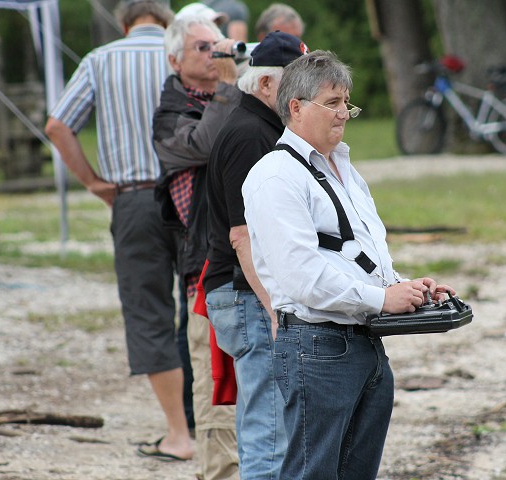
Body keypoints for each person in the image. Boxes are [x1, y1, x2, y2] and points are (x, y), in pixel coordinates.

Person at [242, 50, 456, 479]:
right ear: (296, 107)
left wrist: (407, 288)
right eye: (333, 103)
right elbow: (302, 278)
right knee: (312, 473)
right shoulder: (275, 176)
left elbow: (356, 254)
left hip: (364, 343)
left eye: (347, 103)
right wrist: (383, 298)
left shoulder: (344, 168)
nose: (344, 114)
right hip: (316, 347)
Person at [44, 0, 195, 462]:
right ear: (166, 17)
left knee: (148, 312)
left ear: (123, 19)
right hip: (192, 195)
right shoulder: (186, 52)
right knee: (203, 308)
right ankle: (213, 423)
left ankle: (178, 434)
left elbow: (57, 125)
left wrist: (92, 181)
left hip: (133, 198)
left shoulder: (99, 59)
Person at [204, 31, 308, 479]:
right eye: (295, 83)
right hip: (248, 293)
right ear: (266, 85)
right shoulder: (250, 135)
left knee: (270, 423)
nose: (304, 95)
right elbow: (243, 236)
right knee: (268, 430)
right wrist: (273, 307)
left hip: (249, 292)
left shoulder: (264, 128)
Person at [151, 13, 241, 480]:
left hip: (254, 268)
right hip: (206, 275)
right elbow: (210, 142)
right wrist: (231, 84)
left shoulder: (235, 94)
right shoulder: (170, 116)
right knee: (217, 395)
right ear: (175, 60)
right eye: (202, 48)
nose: (214, 54)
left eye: (218, 45)